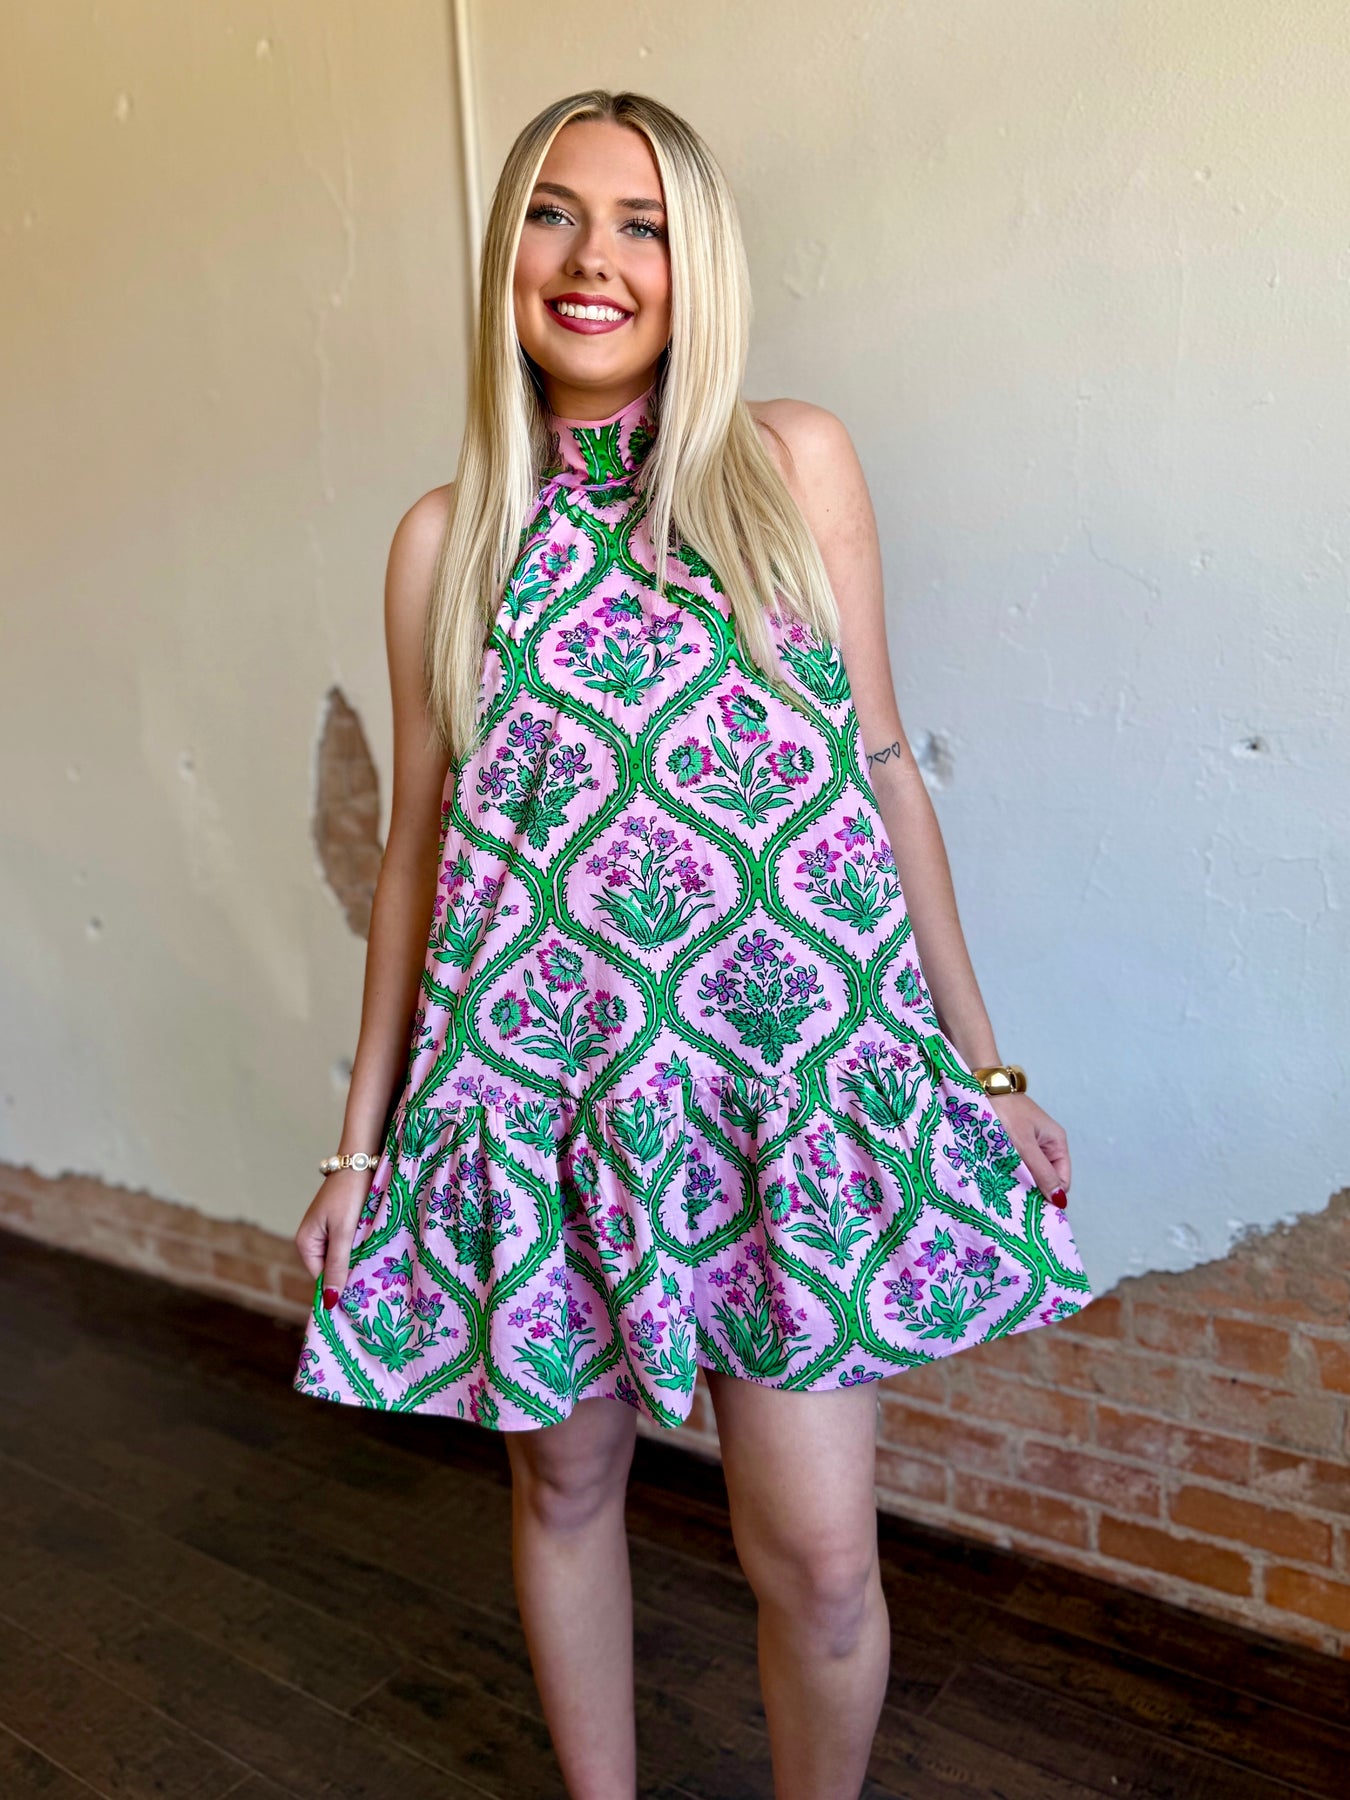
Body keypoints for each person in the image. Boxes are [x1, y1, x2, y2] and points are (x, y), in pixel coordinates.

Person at [293, 88, 1092, 1800]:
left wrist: (984, 1066)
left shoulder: (791, 467)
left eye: (641, 224)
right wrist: (360, 1148)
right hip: (537, 1094)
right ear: (505, 253)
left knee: (819, 1559)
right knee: (565, 1486)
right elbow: (417, 850)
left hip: (774, 1087)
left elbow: (884, 764)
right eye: (553, 213)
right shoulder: (447, 542)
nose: (593, 258)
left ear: (695, 265)